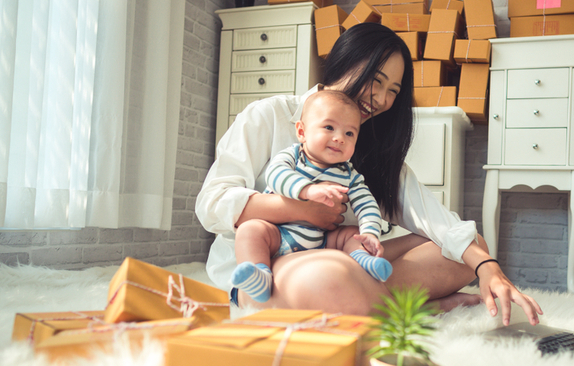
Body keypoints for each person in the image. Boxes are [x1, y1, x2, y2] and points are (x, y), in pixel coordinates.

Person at [196, 22, 543, 326]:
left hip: (339, 258)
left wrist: (489, 269)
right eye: (375, 81)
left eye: (393, 90)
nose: (380, 98)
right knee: (332, 272)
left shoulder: (373, 150)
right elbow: (211, 204)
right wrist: (301, 210)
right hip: (270, 265)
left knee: (469, 248)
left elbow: (439, 222)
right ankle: (412, 307)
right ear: (343, 62)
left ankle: (358, 301)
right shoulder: (270, 115)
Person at [230, 90, 392, 303]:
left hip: (322, 240)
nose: (339, 138)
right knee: (250, 230)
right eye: (329, 128)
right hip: (279, 234)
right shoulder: (294, 156)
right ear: (302, 131)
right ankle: (260, 275)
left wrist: (370, 233)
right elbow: (276, 174)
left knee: (352, 234)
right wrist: (307, 190)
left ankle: (364, 260)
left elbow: (367, 203)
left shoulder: (349, 174)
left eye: (349, 134)